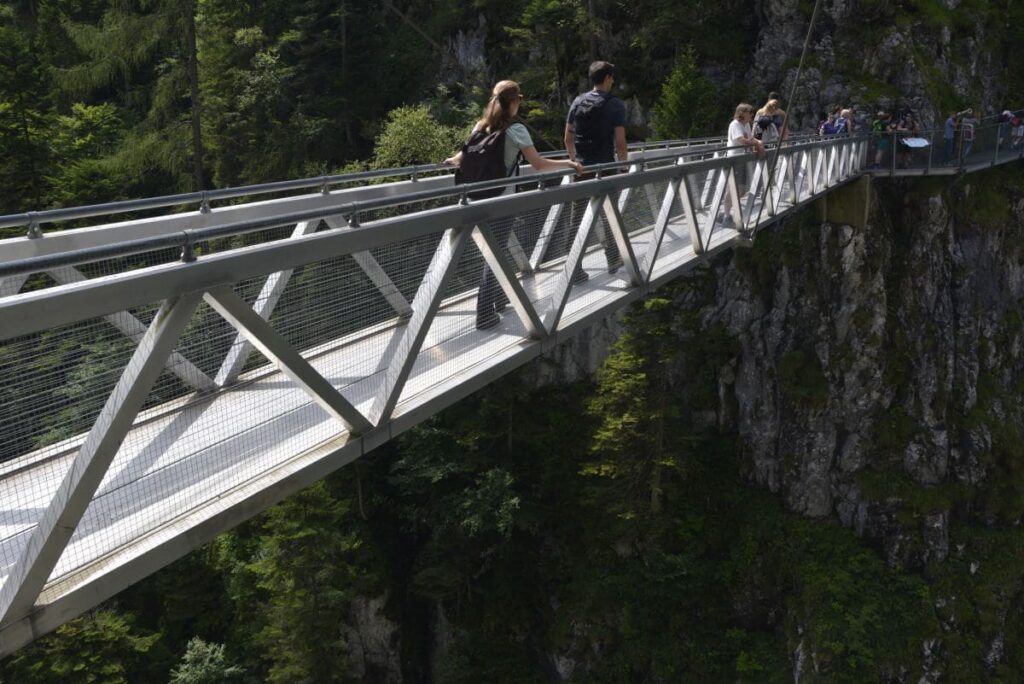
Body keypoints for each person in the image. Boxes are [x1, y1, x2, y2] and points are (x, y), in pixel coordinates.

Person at [445, 80, 583, 330]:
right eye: (519, 99)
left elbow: (461, 156)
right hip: (502, 201)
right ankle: (485, 313)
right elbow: (539, 164)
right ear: (514, 102)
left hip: (475, 198)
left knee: (495, 250)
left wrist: (451, 160)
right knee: (495, 254)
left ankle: (498, 300)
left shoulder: (481, 125)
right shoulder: (516, 130)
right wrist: (568, 164)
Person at [562, 60, 628, 282]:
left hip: (581, 169)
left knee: (577, 219)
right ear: (608, 78)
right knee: (610, 215)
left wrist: (574, 161)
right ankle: (613, 259)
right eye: (612, 77)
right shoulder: (616, 105)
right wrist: (623, 167)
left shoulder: (577, 102)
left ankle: (574, 268)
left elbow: (568, 138)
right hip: (606, 168)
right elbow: (620, 143)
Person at [722, 103, 764, 228]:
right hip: (734, 159)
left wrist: (757, 142)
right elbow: (742, 140)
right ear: (742, 113)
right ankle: (726, 216)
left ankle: (728, 213)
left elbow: (750, 139)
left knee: (741, 190)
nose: (752, 114)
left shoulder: (745, 125)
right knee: (732, 189)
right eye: (750, 112)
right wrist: (757, 144)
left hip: (742, 159)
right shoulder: (735, 124)